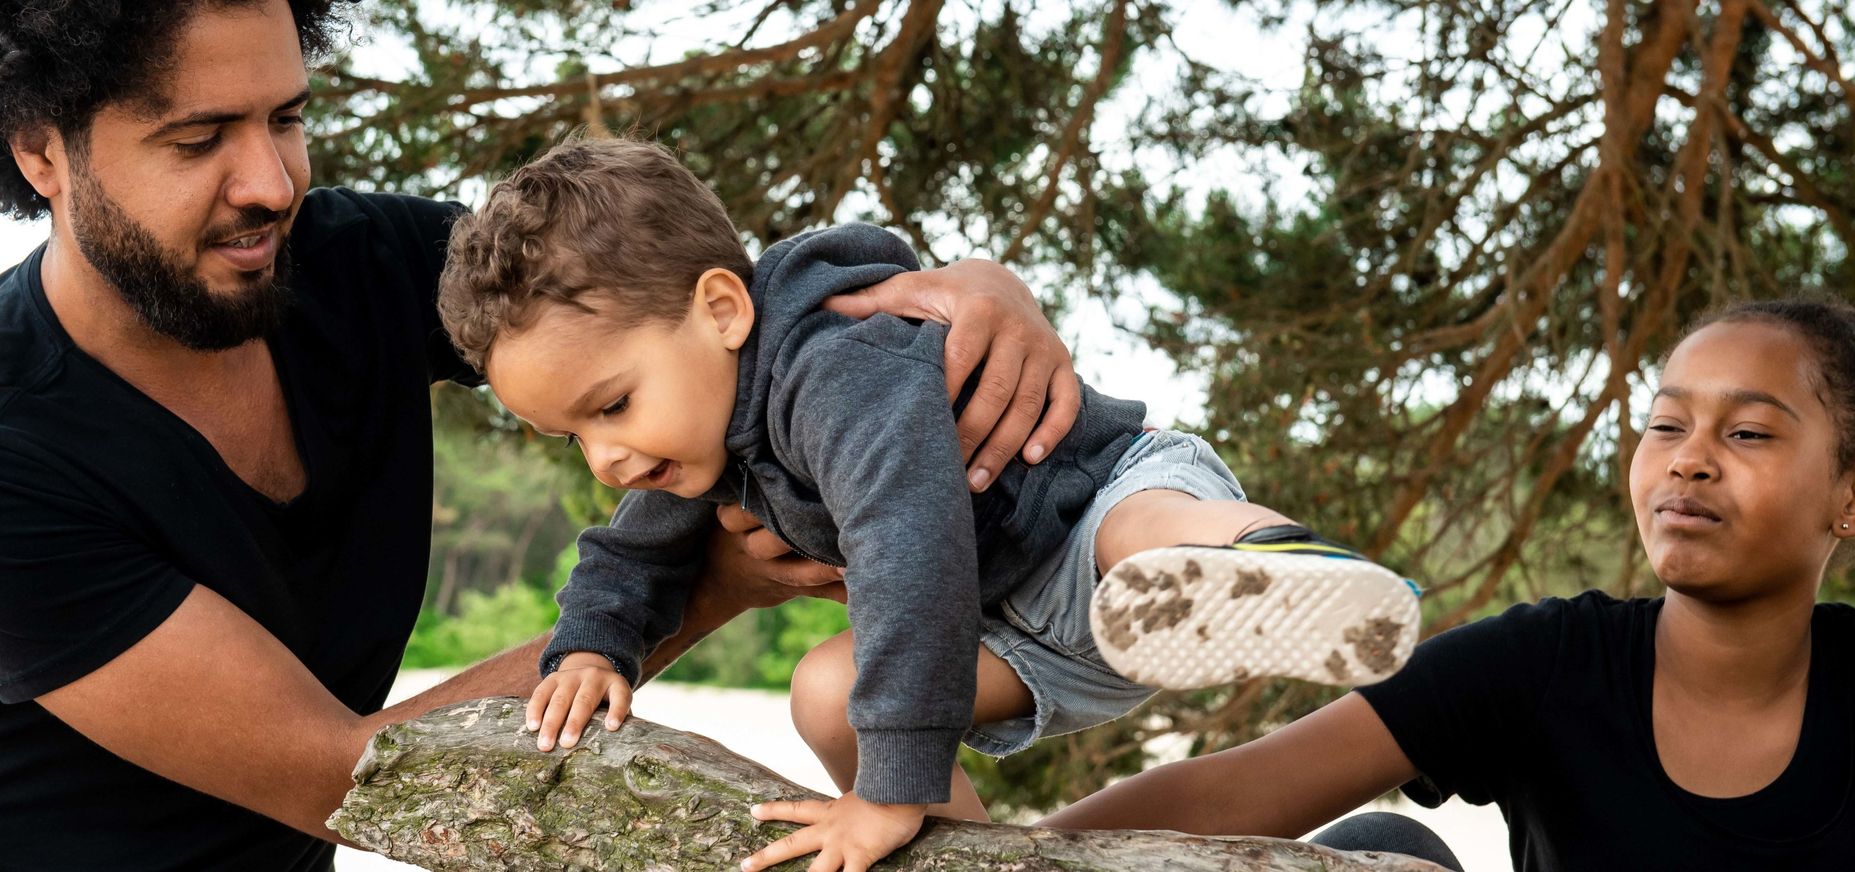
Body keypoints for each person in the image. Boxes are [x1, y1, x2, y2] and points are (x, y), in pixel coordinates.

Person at [0, 2, 1086, 868]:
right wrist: (706, 585)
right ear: (43, 154)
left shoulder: (348, 261)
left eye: (284, 117)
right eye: (200, 139)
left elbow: (673, 311)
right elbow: (345, 777)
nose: (272, 183)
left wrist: (966, 292)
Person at [434, 135, 1421, 872]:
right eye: (574, 435)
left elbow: (904, 544)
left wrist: (885, 791)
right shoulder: (691, 436)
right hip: (1021, 640)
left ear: (723, 308)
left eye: (611, 405)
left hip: (1086, 515)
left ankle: (1284, 572)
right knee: (826, 690)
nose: (605, 457)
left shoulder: (829, 370)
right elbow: (627, 554)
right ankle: (971, 857)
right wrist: (590, 649)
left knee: (1140, 536)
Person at [1039, 296, 1855, 871]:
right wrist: (1011, 857)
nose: (1687, 459)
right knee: (1382, 850)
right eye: (1665, 425)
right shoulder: (1548, 663)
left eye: (1747, 432)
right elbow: (1232, 793)